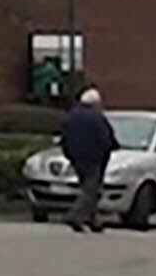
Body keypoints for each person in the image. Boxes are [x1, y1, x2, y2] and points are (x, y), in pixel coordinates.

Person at [59, 87, 118, 233]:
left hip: (76, 158)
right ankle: (74, 215)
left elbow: (64, 138)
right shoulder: (97, 118)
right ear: (95, 103)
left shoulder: (70, 117)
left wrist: (69, 155)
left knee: (88, 188)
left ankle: (94, 220)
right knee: (91, 190)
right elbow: (105, 138)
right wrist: (111, 147)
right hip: (94, 158)